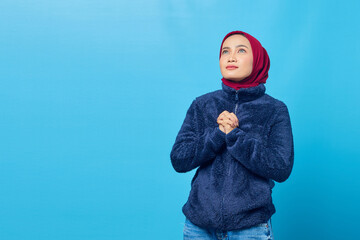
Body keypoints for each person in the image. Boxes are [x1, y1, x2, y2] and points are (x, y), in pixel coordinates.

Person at [170, 30, 294, 240]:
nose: (231, 57)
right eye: (225, 51)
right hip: (198, 226)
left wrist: (236, 136)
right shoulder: (202, 104)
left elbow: (281, 168)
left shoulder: (275, 109)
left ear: (257, 60)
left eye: (241, 50)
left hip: (250, 227)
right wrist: (217, 134)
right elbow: (179, 159)